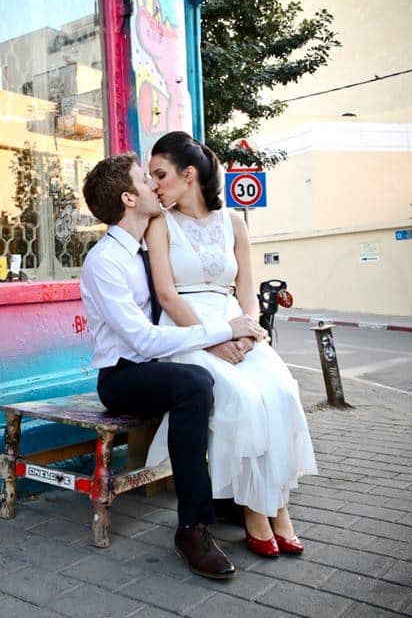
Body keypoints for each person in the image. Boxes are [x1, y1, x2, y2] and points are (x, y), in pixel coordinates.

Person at [79, 152, 268, 579]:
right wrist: (221, 331)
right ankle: (191, 528)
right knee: (194, 383)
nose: (155, 185)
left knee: (227, 380)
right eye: (145, 180)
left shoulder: (147, 247)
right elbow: (142, 340)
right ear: (129, 198)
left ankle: (228, 498)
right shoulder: (105, 262)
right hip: (123, 376)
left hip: (159, 362)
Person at [143, 131, 318, 558]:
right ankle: (255, 512)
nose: (154, 185)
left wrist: (247, 332)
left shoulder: (233, 222)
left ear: (188, 174)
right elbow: (166, 294)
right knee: (242, 398)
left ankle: (279, 507)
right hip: (188, 330)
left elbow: (247, 291)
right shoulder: (159, 224)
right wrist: (212, 340)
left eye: (160, 175)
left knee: (281, 391)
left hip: (235, 325)